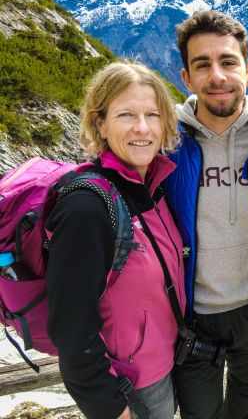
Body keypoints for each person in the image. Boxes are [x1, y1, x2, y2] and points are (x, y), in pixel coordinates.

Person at [164, 10, 248, 419]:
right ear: (186, 77)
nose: (217, 75)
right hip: (192, 315)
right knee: (200, 413)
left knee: (244, 400)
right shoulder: (166, 150)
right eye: (203, 64)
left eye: (228, 62)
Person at [46, 61, 186, 419]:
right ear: (101, 124)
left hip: (161, 368)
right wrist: (111, 409)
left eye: (153, 115)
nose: (142, 128)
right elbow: (71, 332)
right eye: (126, 115)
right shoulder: (87, 208)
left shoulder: (153, 187)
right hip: (128, 389)